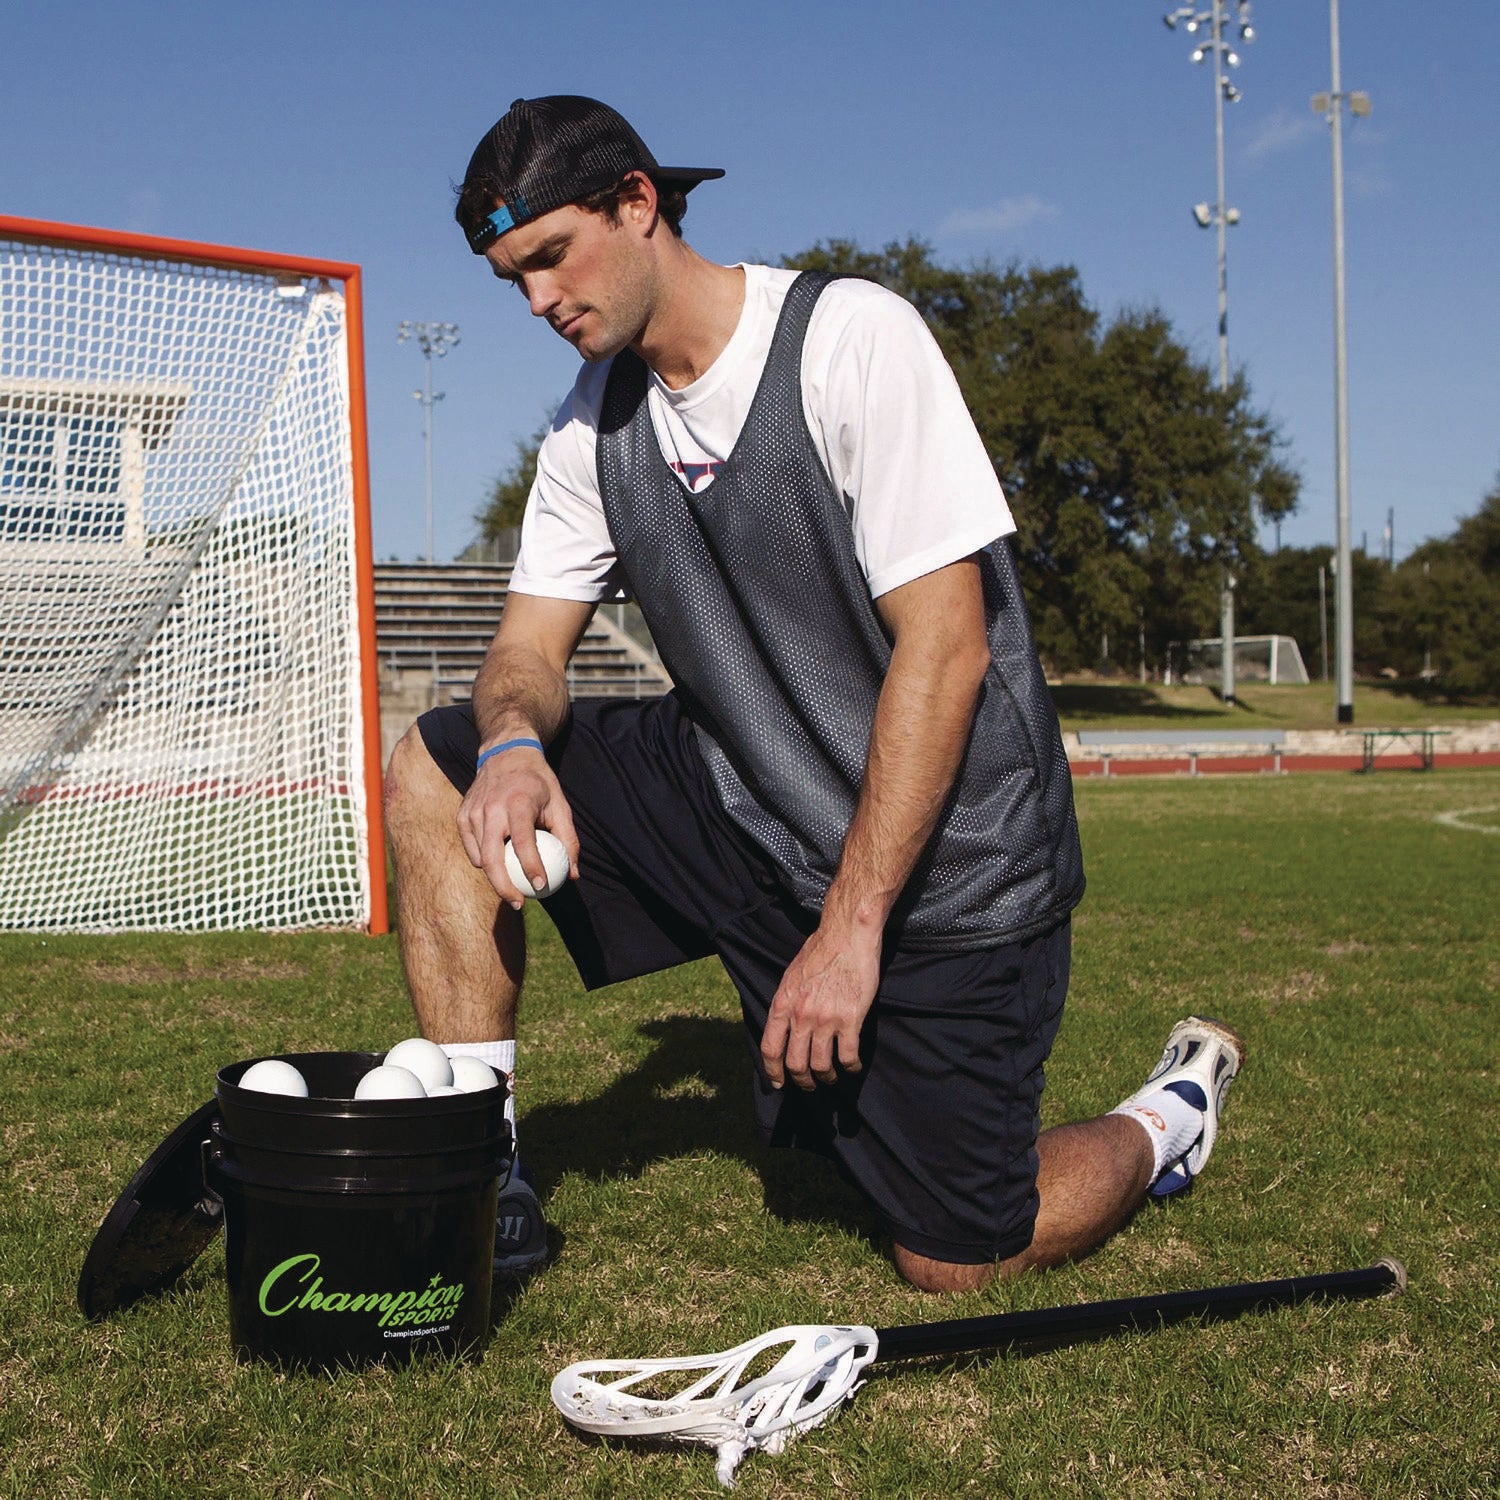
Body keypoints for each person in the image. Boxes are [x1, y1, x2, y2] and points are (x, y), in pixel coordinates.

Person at [384, 95, 1245, 1292]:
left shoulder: (850, 342)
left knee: (958, 1253)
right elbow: (523, 652)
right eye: (509, 281)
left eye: (548, 259)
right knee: (435, 763)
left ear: (637, 203)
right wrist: (514, 746)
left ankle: (1169, 1116)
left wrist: (848, 937)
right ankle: (482, 1159)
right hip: (749, 810)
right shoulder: (590, 433)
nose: (536, 302)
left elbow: (946, 654)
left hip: (954, 867)